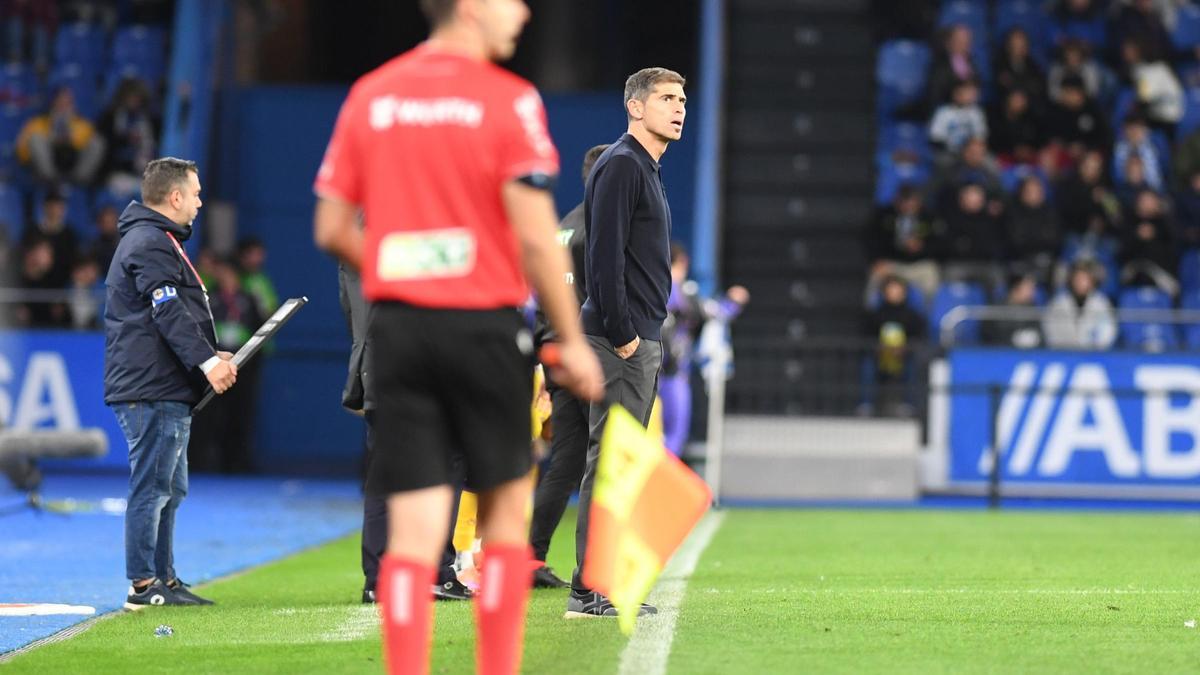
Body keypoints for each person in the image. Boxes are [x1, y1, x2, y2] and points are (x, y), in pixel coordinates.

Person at [311, 1, 604, 673]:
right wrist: (573, 337)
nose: (524, 12)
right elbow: (535, 237)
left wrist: (407, 266)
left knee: (412, 534)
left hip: (401, 329)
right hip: (484, 327)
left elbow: (330, 229)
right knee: (503, 512)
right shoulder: (508, 100)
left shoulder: (372, 95)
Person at [569, 66, 686, 619]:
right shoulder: (621, 164)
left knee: (619, 461)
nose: (679, 106)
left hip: (638, 333)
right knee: (611, 461)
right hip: (623, 338)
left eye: (682, 98)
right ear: (635, 107)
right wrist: (623, 337)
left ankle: (599, 582)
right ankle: (592, 586)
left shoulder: (644, 166)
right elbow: (603, 256)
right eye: (665, 97)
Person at [103, 157, 237, 609]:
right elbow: (166, 309)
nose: (200, 203)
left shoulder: (153, 239)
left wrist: (209, 353)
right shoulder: (149, 241)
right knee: (154, 486)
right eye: (196, 193)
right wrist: (206, 362)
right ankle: (144, 586)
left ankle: (163, 578)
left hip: (161, 384)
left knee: (169, 487)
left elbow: (162, 311)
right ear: (175, 196)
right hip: (153, 387)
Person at [337, 249, 475, 604]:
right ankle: (435, 572)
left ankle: (379, 580)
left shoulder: (355, 231)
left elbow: (349, 308)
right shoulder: (411, 224)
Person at [527, 143, 608, 590]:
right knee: (606, 458)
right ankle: (596, 571)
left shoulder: (562, 224)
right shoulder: (599, 224)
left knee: (567, 463)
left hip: (552, 347)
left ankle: (530, 558)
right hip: (587, 352)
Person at [660, 243, 747, 456]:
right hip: (671, 373)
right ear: (682, 263)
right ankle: (654, 485)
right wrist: (734, 302)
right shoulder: (680, 292)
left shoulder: (645, 288)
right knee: (674, 434)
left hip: (641, 370)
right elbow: (716, 312)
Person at [16, 86, 105, 187]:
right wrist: (51, 138)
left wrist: (70, 139)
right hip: (47, 170)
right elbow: (22, 152)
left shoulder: (83, 124)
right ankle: (51, 180)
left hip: (74, 165)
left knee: (97, 142)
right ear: (53, 103)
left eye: (67, 103)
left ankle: (78, 182)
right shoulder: (37, 123)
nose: (63, 106)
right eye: (60, 102)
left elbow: (89, 148)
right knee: (36, 139)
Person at [1043, 260, 1117, 349]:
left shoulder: (1101, 302)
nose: (1080, 283)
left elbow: (1108, 330)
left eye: (1085, 279)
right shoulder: (1059, 302)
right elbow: (1050, 329)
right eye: (1077, 279)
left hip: (1093, 353)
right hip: (1063, 352)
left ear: (1092, 281)